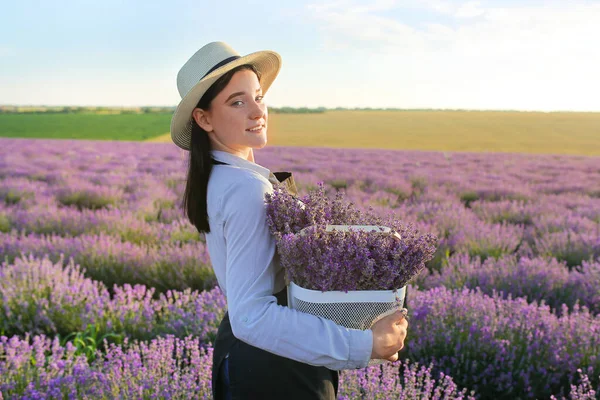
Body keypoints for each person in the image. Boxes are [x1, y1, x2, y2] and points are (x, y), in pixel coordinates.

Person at [170, 41, 409, 400]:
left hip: (258, 355)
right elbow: (252, 316)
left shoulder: (224, 177)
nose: (257, 111)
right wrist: (364, 344)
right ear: (203, 118)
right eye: (237, 102)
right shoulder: (246, 190)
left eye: (258, 96)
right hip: (274, 365)